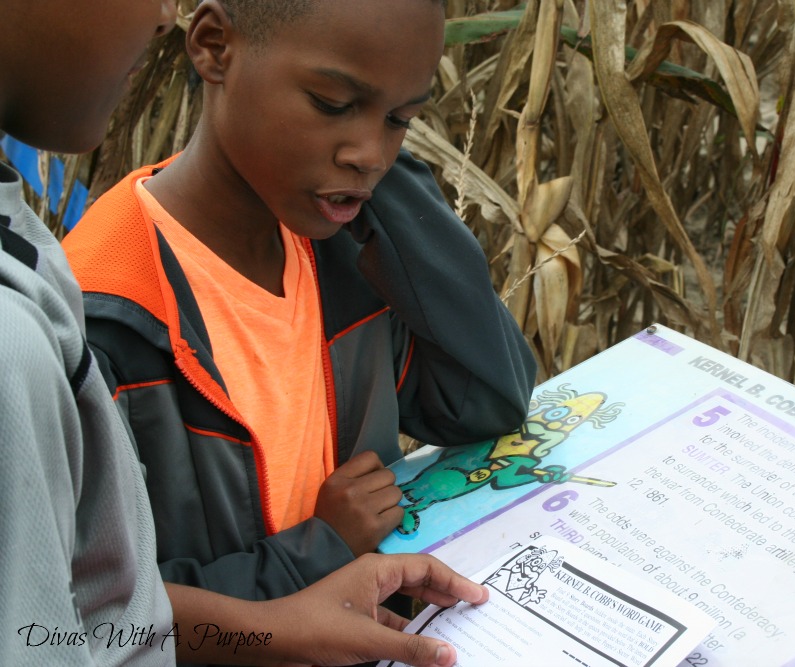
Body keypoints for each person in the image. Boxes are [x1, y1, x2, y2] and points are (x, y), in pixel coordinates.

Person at [0, 1, 488, 666]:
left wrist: (387, 187)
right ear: (213, 47)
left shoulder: (344, 256)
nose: (371, 152)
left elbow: (484, 399)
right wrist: (316, 552)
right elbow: (93, 615)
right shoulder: (100, 313)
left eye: (402, 119)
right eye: (332, 101)